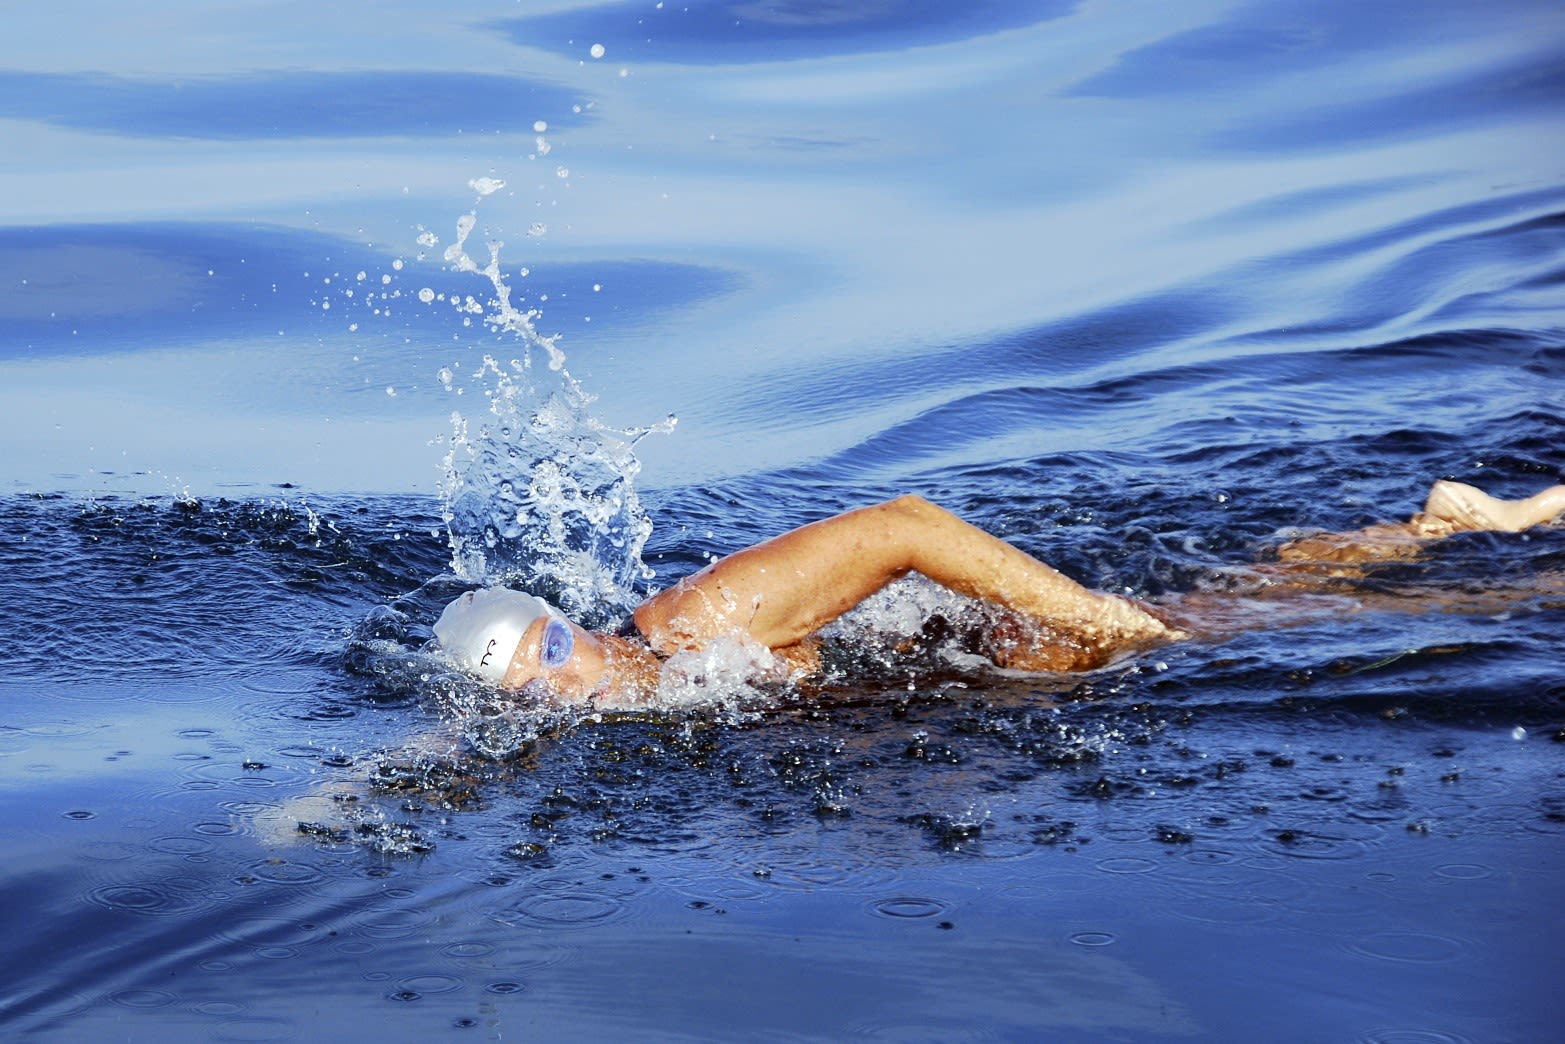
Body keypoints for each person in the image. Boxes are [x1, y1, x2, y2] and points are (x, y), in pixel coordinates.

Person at [433, 479, 1565, 707]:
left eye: (547, 653)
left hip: (1034, 651)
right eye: (525, 690)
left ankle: (1494, 567)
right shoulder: (641, 698)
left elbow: (903, 526)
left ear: (566, 624)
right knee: (1254, 594)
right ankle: (1439, 526)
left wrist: (1097, 623)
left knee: (1348, 627)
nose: (556, 687)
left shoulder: (695, 629)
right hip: (967, 675)